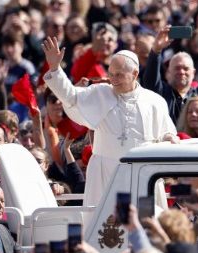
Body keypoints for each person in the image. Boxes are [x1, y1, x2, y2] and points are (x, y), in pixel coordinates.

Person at [42, 36, 177, 207]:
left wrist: (168, 138)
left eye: (119, 75)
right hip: (105, 174)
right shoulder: (101, 94)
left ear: (135, 74)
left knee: (145, 224)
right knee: (104, 228)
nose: (113, 79)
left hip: (141, 174)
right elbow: (72, 97)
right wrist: (55, 69)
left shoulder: (154, 101)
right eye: (111, 74)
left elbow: (166, 133)